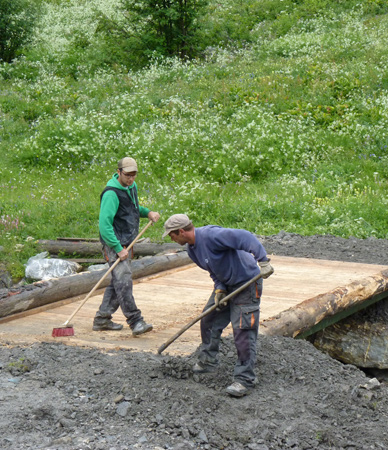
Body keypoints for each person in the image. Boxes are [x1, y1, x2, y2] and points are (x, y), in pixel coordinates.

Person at [162, 214, 274, 397]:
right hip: (227, 285)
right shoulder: (192, 249)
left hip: (247, 283)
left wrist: (263, 260)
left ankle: (245, 379)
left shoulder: (212, 236)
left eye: (171, 235)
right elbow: (213, 270)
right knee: (209, 320)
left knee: (243, 330)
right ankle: (208, 361)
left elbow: (245, 237)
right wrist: (220, 289)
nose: (171, 238)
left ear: (181, 231)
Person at [93, 157, 160, 336]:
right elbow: (104, 226)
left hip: (127, 242)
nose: (130, 179)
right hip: (114, 244)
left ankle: (102, 319)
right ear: (119, 172)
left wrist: (148, 213)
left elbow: (132, 208)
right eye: (127, 175)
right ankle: (135, 321)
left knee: (118, 282)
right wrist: (117, 248)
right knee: (124, 282)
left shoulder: (131, 187)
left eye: (133, 175)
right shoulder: (111, 194)